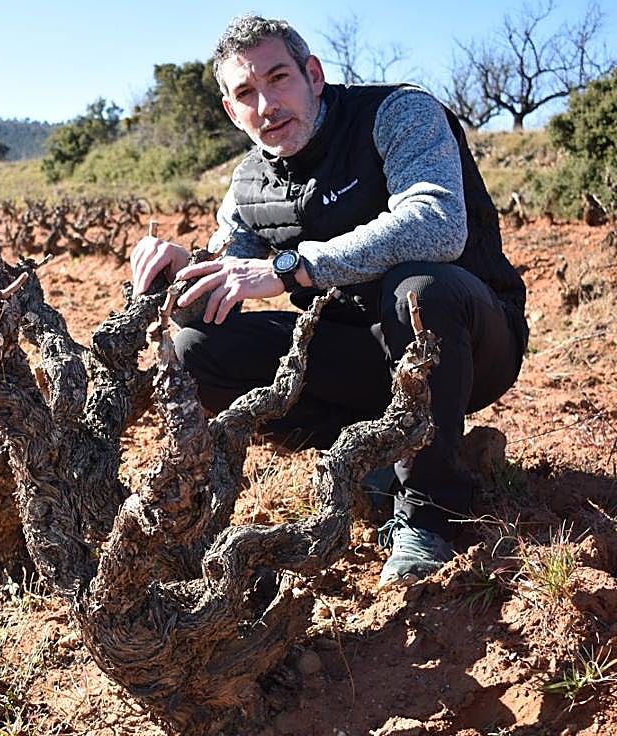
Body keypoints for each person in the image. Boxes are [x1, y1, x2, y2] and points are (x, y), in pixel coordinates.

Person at [130, 14, 527, 588]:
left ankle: (428, 515)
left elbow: (438, 224)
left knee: (419, 288)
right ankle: (373, 463)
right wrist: (179, 276)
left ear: (313, 74)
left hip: (466, 339)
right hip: (357, 356)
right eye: (246, 92)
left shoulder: (397, 114)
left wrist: (293, 267)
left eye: (279, 78)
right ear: (229, 109)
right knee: (196, 352)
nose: (267, 104)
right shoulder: (247, 185)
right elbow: (223, 281)